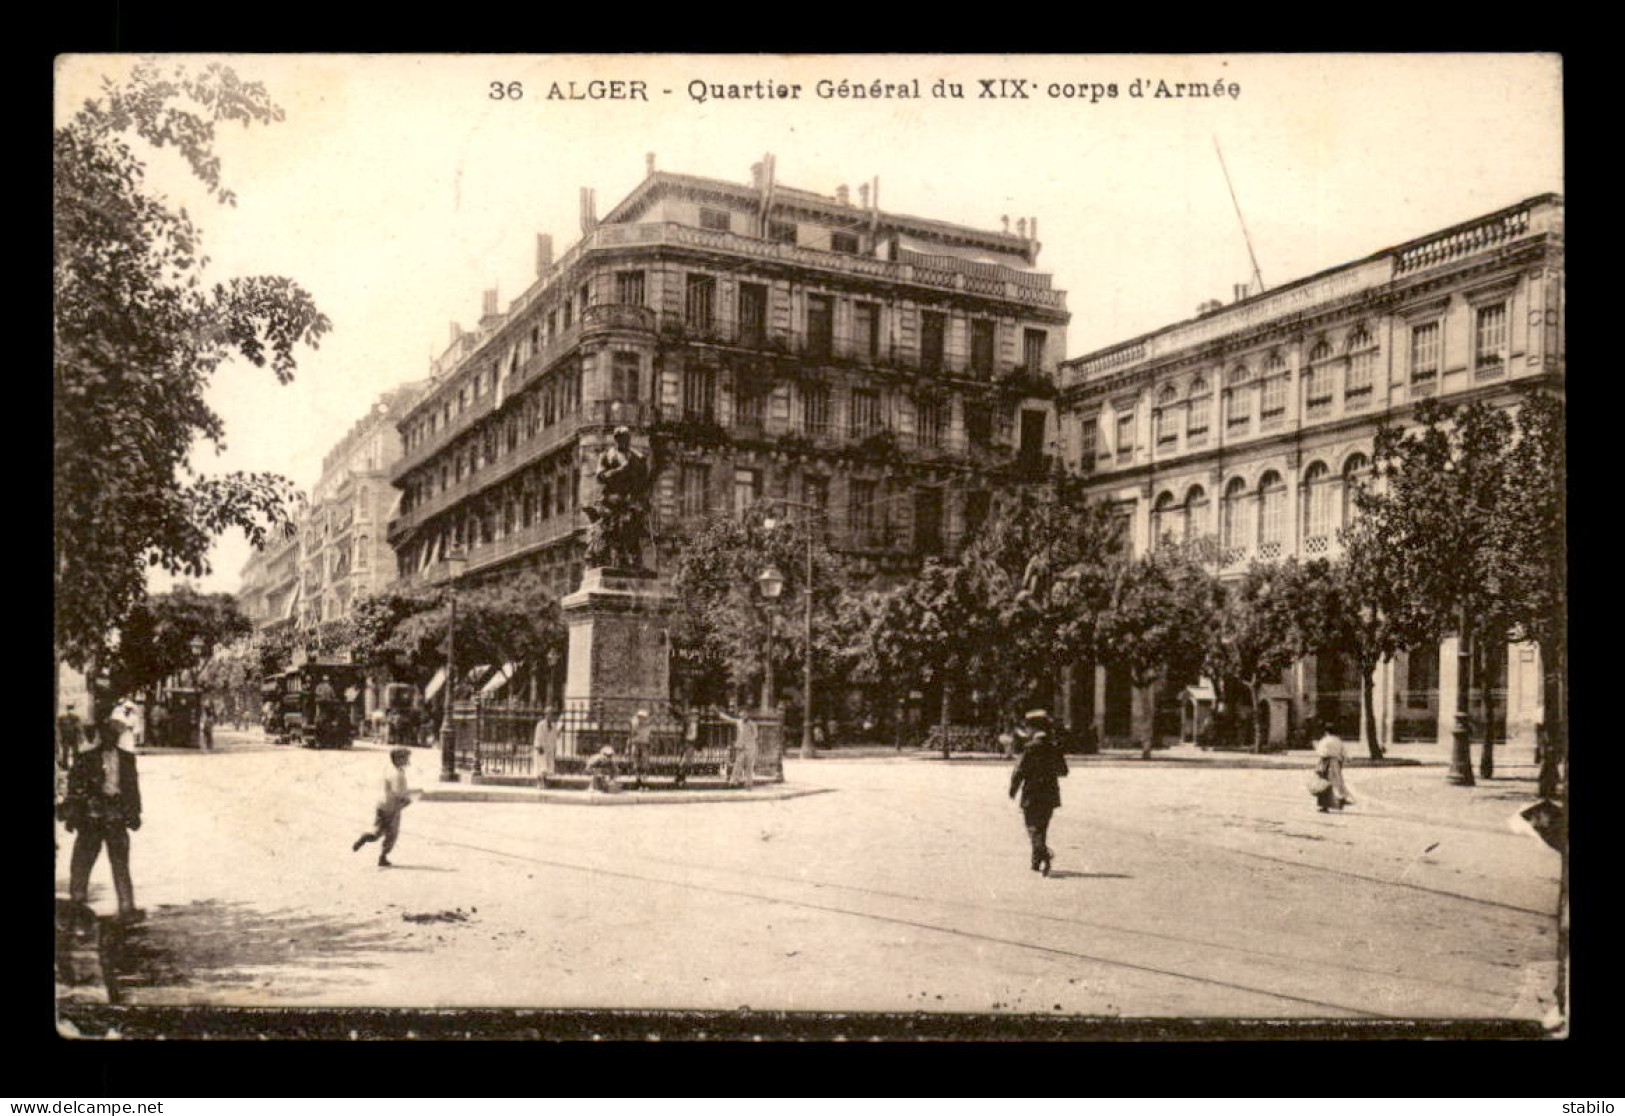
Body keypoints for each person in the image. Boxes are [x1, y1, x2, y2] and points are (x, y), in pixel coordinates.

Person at [61, 703, 144, 923]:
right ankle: (77, 902)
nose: (112, 738)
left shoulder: (127, 758)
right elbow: (75, 787)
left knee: (120, 862)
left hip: (116, 815)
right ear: (100, 735)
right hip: (91, 816)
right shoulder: (87, 758)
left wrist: (135, 813)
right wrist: (72, 814)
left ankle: (127, 907)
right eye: (107, 734)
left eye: (115, 735)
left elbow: (132, 788)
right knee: (82, 860)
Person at [1008, 709, 1069, 876]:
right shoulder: (1054, 747)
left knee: (1032, 826)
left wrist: (1013, 789)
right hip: (1050, 793)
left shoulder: (1030, 748)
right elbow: (1063, 771)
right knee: (1042, 826)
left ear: (1033, 728)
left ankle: (1043, 853)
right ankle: (1036, 862)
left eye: (1028, 727)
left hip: (1032, 792)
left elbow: (1019, 770)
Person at [352, 747, 420, 867]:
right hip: (392, 808)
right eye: (405, 757)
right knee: (392, 834)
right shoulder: (398, 774)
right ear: (399, 759)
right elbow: (399, 793)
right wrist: (410, 799)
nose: (407, 760)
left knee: (377, 832)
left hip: (381, 805)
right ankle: (383, 857)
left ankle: (366, 837)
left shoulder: (390, 770)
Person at [1310, 719, 1354, 812]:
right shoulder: (1338, 741)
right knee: (1337, 782)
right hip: (1336, 763)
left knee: (1324, 783)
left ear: (1326, 731)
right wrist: (1345, 759)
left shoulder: (1324, 740)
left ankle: (1325, 806)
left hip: (1324, 763)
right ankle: (1340, 799)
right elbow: (1344, 753)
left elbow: (1320, 752)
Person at [718, 707, 759, 789]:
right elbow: (729, 719)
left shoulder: (752, 724)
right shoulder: (739, 722)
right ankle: (733, 782)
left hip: (750, 748)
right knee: (737, 765)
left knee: (749, 766)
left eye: (745, 714)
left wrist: (747, 740)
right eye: (742, 714)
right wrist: (719, 713)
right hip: (741, 747)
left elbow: (755, 735)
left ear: (748, 715)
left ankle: (748, 783)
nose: (743, 716)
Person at [532, 708, 561, 788]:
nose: (550, 716)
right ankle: (539, 782)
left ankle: (544, 781)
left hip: (549, 748)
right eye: (548, 714)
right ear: (545, 715)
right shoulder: (540, 725)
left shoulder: (554, 725)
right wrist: (538, 746)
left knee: (547, 766)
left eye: (551, 715)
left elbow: (554, 737)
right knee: (540, 766)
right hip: (541, 747)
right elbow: (537, 736)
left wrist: (555, 747)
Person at [627, 709, 653, 789]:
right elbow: (630, 736)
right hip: (636, 744)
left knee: (645, 763)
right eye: (640, 717)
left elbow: (650, 737)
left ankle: (644, 781)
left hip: (645, 745)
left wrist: (651, 745)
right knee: (636, 763)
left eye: (644, 718)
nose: (642, 719)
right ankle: (638, 780)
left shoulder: (648, 727)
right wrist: (628, 747)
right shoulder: (635, 725)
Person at [56, 703, 83, 769]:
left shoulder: (76, 718)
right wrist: (59, 736)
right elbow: (58, 727)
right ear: (67, 710)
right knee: (65, 752)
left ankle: (75, 765)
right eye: (69, 710)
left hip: (74, 737)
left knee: (75, 752)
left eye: (71, 710)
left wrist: (80, 737)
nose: (70, 711)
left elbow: (79, 728)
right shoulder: (62, 718)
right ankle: (65, 765)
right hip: (65, 737)